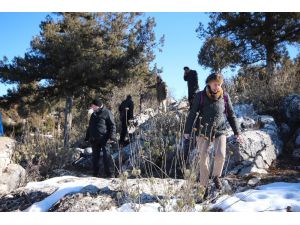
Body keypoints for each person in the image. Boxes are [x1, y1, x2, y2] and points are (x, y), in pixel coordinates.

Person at [183, 72, 242, 196]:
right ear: (209, 83)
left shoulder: (225, 96)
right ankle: (203, 187)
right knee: (203, 159)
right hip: (203, 131)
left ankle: (216, 177)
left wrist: (237, 132)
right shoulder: (201, 96)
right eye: (215, 84)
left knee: (220, 154)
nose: (217, 87)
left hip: (220, 130)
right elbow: (192, 113)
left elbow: (231, 115)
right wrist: (187, 131)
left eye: (219, 84)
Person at [85, 98, 116, 178]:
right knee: (95, 157)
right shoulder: (93, 114)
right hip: (94, 139)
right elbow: (90, 126)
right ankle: (95, 174)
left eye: (93, 106)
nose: (92, 107)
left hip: (104, 139)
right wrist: (87, 136)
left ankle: (110, 174)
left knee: (107, 156)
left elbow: (112, 125)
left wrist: (112, 137)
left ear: (97, 106)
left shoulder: (107, 112)